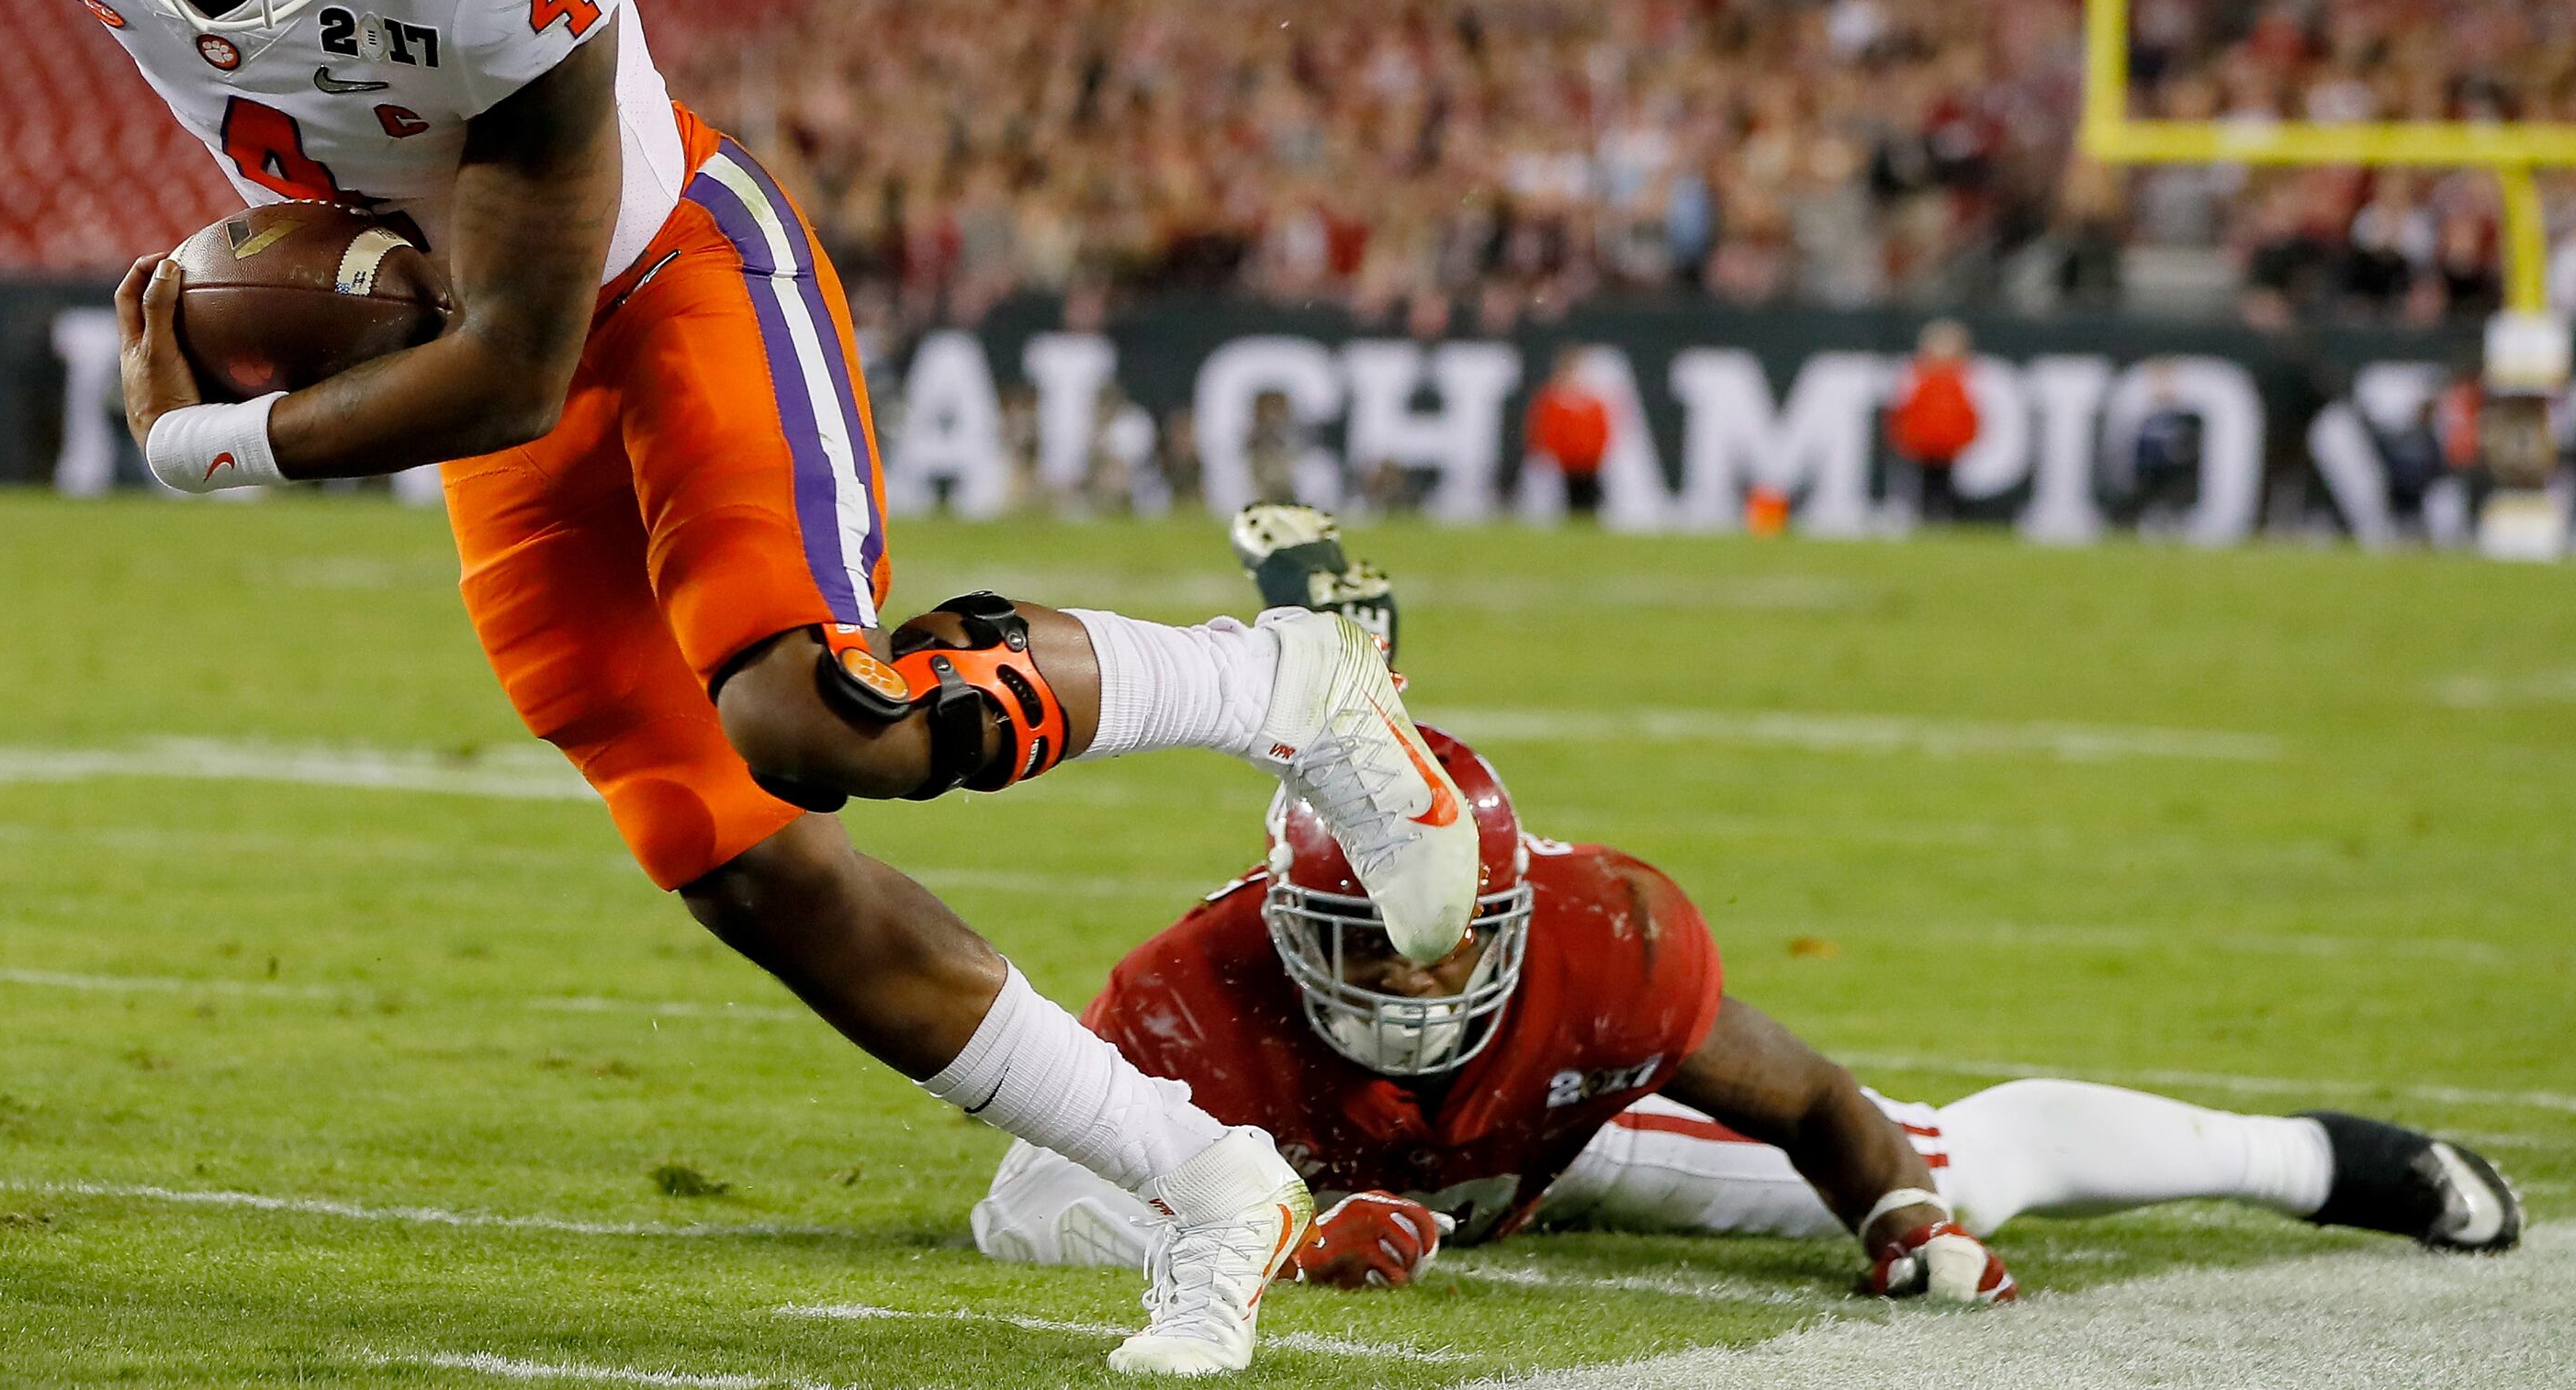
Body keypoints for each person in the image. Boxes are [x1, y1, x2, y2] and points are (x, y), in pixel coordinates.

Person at [0, 0, 1485, 1375]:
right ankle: (1204, 1181)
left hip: (656, 275)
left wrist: (212, 441)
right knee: (731, 857)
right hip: (457, 304)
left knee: (809, 714)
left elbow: (520, 361)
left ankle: (1285, 685)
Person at [972, 509, 2525, 1298]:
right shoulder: (1199, 993)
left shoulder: (1591, 953)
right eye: (1365, 939)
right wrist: (1292, 1237)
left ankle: (2316, 1160)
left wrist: (1903, 1213)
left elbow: (1808, 1100)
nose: (1415, 979)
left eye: (1442, 928)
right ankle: (1331, 702)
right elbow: (1024, 1211)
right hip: (1340, 1146)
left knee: (1967, 1157)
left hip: (1547, 1140)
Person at [1884, 319, 1979, 523]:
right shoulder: (1917, 373)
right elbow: (1904, 408)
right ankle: (1923, 515)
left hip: (1948, 443)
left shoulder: (1965, 376)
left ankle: (1943, 516)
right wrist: (1905, 436)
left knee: (1945, 482)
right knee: (1923, 482)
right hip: (1923, 442)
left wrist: (1966, 436)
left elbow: (1970, 412)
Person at [1525, 347, 1610, 518]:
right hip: (1562, 465)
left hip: (1589, 465)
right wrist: (1549, 455)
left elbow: (1602, 432)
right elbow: (1544, 430)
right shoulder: (1553, 399)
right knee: (1564, 502)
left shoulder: (1592, 403)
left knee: (1589, 502)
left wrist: (1595, 455)